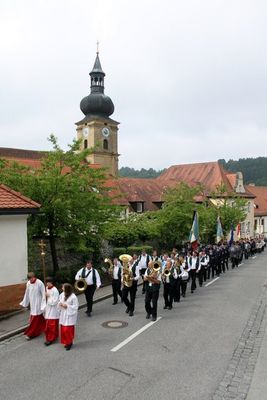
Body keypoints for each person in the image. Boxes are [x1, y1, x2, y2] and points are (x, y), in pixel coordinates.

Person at [20, 272, 46, 340]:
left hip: (38, 303)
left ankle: (31, 333)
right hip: (32, 303)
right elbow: (27, 293)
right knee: (39, 317)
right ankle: (46, 327)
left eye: (32, 278)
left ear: (34, 277)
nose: (31, 280)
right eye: (29, 279)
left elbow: (43, 294)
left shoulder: (40, 283)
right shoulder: (28, 283)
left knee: (35, 318)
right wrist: (25, 303)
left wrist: (43, 305)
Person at [58, 283, 79, 351]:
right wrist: (60, 304)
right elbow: (59, 301)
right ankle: (66, 342)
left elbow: (75, 307)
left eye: (63, 287)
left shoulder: (73, 297)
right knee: (63, 330)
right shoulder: (62, 294)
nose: (62, 288)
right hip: (64, 314)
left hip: (70, 315)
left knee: (68, 330)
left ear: (67, 288)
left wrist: (67, 306)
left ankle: (70, 343)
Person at [44, 277, 60, 346]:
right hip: (48, 309)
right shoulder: (47, 288)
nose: (47, 284)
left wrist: (49, 296)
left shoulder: (55, 290)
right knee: (48, 325)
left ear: (51, 282)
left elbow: (54, 302)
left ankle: (51, 339)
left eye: (49, 282)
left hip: (53, 311)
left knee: (52, 325)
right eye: (46, 282)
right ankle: (52, 337)